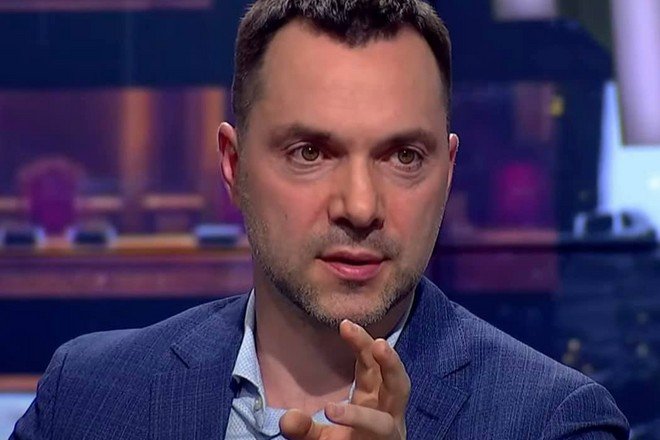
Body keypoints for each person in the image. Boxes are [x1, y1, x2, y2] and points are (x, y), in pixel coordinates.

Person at [12, 1, 629, 439]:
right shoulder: (87, 396)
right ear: (233, 165)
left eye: (403, 156)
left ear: (447, 171)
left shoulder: (555, 423)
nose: (359, 207)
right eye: (310, 153)